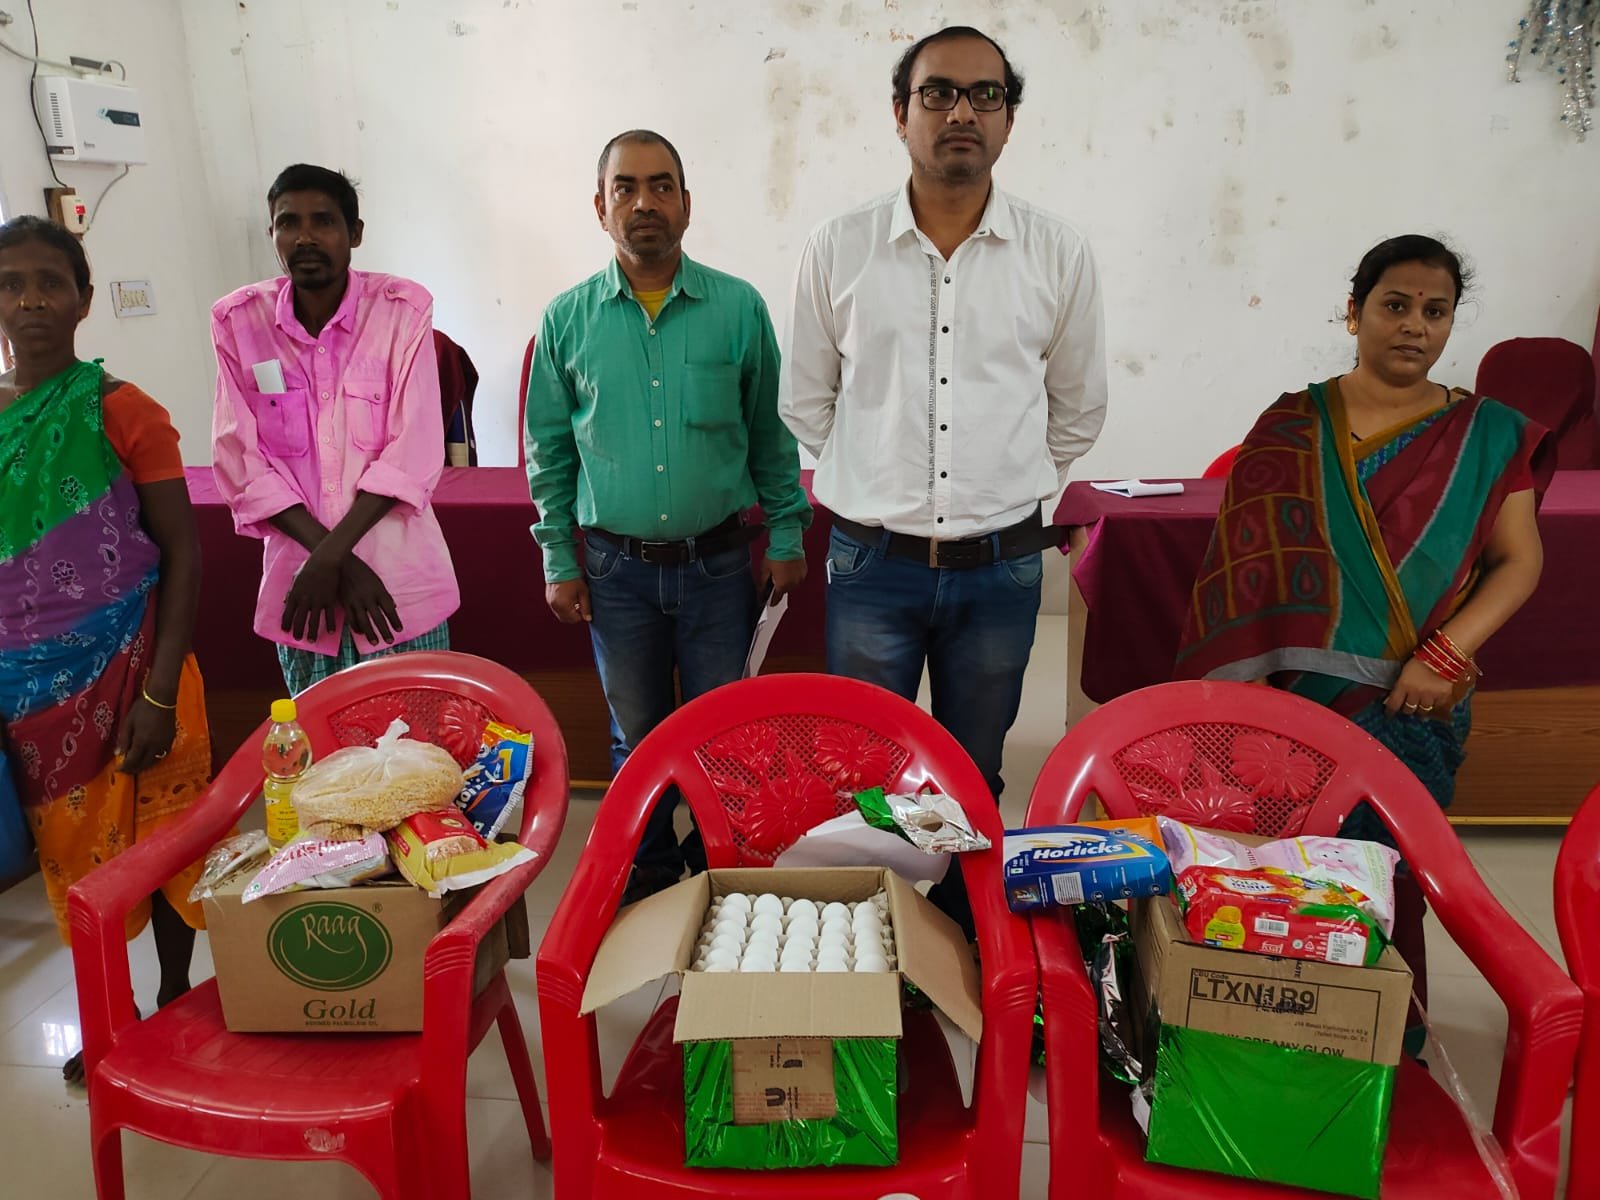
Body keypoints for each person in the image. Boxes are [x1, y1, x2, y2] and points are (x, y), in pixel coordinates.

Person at [1176, 233, 1550, 1052]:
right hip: (1288, 714)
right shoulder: (1290, 425)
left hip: (1413, 704)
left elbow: (1519, 561)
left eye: (1435, 311)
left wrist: (1444, 655)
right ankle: (1262, 1039)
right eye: (1395, 305)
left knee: (1386, 882)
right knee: (1280, 882)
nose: (1415, 325)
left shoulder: (1488, 436)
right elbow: (1242, 571)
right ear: (1354, 313)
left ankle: (1381, 1043)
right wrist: (1248, 699)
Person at [780, 26, 1106, 927]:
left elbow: (1077, 407)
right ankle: (871, 934)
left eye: (985, 94)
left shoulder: (1057, 252)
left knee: (974, 768)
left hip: (1000, 567)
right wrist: (878, 476)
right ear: (900, 113)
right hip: (871, 564)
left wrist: (1002, 486)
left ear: (1009, 119)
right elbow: (807, 401)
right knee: (865, 770)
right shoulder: (839, 247)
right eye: (938, 93)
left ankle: (963, 935)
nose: (962, 111)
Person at [526, 130, 812, 902]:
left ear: (686, 204)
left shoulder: (738, 309)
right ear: (601, 206)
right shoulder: (566, 320)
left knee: (728, 736)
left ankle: (726, 871)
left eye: (661, 186)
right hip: (615, 571)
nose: (644, 202)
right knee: (638, 737)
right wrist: (558, 557)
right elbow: (548, 453)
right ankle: (650, 871)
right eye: (625, 188)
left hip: (718, 565)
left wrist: (787, 530)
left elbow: (770, 434)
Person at [0, 215, 212, 1084]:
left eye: (50, 282)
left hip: (137, 663)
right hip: (29, 688)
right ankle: (111, 1016)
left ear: (84, 300)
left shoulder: (127, 411)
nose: (30, 300)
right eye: (11, 284)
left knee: (160, 845)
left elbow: (184, 554)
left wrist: (158, 695)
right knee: (75, 858)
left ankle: (173, 998)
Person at [211, 164, 459, 695]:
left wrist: (328, 557)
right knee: (320, 742)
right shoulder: (239, 322)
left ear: (355, 233)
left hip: (396, 587)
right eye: (288, 222)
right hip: (306, 596)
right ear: (271, 233)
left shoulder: (401, 311)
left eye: (323, 221)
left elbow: (413, 452)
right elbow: (240, 461)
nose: (304, 237)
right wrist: (334, 563)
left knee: (421, 739)